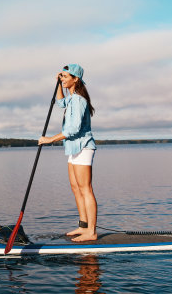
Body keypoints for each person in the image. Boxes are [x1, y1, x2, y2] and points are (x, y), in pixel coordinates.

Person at [38, 64, 98, 242]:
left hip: (83, 146)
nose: (62, 79)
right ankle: (83, 226)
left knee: (86, 189)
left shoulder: (79, 100)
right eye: (61, 76)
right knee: (75, 188)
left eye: (65, 77)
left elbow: (73, 129)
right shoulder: (71, 98)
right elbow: (59, 102)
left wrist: (49, 139)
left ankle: (91, 232)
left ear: (75, 79)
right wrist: (58, 84)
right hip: (72, 148)